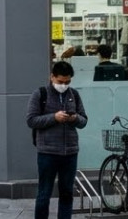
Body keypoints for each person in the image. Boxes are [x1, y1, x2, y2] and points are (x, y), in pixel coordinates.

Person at [27, 60, 87, 219]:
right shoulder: (40, 94)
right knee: (44, 193)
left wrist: (74, 118)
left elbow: (84, 121)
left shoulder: (74, 95)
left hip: (70, 152)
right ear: (52, 77)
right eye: (61, 82)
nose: (64, 85)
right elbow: (31, 120)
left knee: (67, 193)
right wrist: (54, 117)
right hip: (48, 152)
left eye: (67, 82)